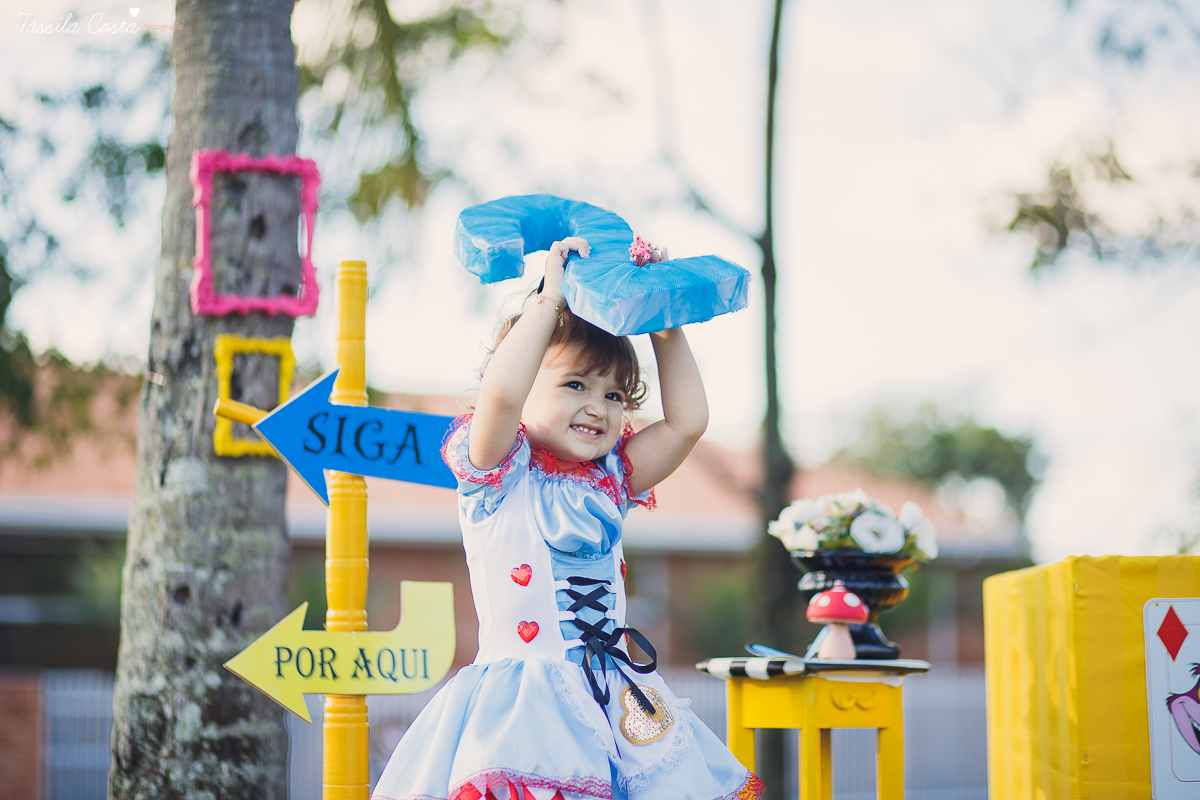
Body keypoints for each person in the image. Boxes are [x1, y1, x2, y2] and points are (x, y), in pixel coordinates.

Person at [371, 237, 763, 800]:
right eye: (575, 384)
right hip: (523, 705)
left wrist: (665, 322)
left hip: (618, 702)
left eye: (614, 394)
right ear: (528, 380)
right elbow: (500, 399)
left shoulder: (610, 478)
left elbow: (687, 423)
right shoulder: (497, 472)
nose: (598, 406)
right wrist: (549, 302)